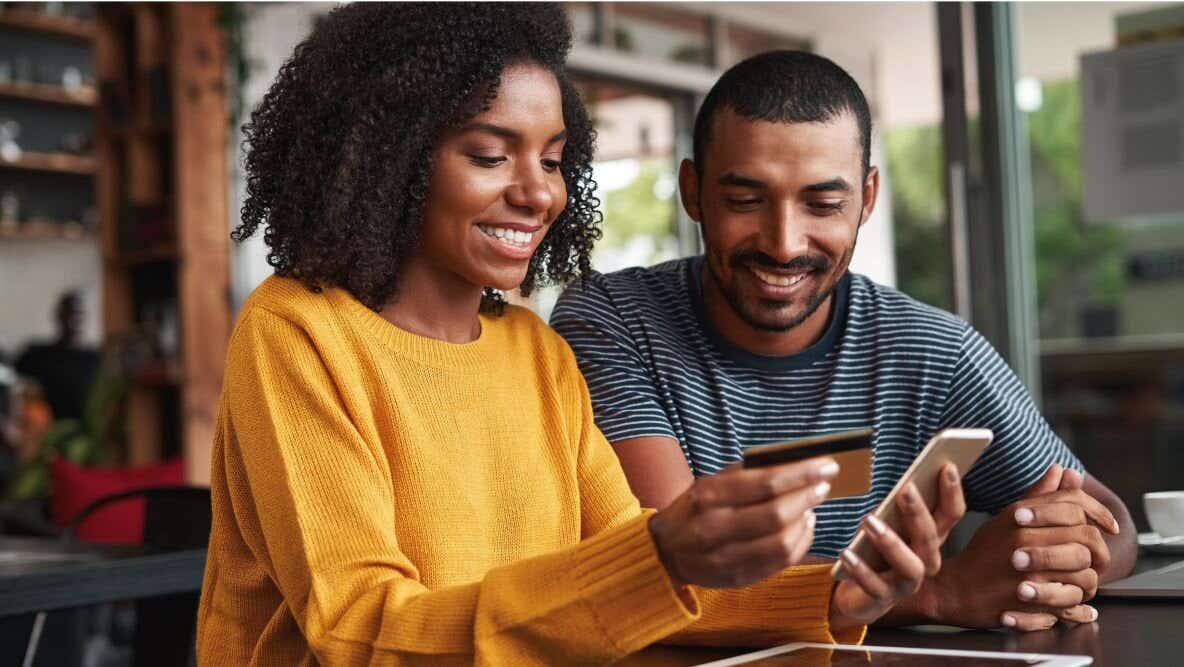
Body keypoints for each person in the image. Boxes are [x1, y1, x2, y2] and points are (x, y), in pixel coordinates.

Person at [196, 5, 958, 665]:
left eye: (555, 160)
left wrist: (835, 594)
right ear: (390, 158)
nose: (537, 192)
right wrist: (660, 554)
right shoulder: (297, 331)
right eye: (491, 155)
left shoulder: (536, 351)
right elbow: (360, 632)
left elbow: (639, 581)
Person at [551, 50, 1137, 633]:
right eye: (745, 200)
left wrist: (1044, 559)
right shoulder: (612, 321)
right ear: (693, 191)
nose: (784, 244)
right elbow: (673, 569)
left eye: (823, 203)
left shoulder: (931, 350)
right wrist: (942, 592)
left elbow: (1112, 524)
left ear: (868, 198)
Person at [13, 291, 99, 422]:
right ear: (59, 315)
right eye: (68, 313)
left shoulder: (94, 359)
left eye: (78, 314)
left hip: (84, 431)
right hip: (45, 431)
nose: (73, 320)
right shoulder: (38, 355)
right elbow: (10, 378)